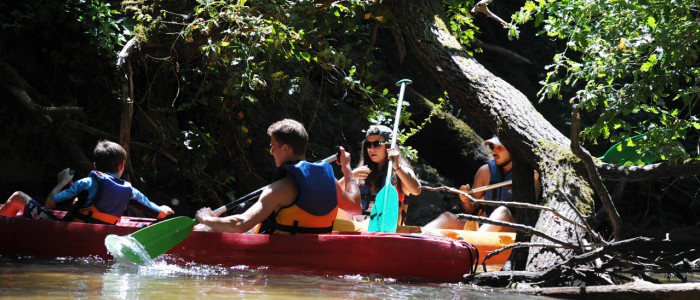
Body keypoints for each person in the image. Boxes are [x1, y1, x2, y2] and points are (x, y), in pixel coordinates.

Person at [195, 119, 361, 235]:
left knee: (207, 229)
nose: (271, 152)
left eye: (273, 147)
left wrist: (207, 218)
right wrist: (346, 168)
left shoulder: (279, 189)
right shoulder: (330, 182)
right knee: (245, 206)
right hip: (314, 249)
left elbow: (240, 224)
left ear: (285, 148)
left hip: (282, 251)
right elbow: (355, 207)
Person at [0, 140, 174, 224]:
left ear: (95, 165)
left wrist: (62, 182)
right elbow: (158, 213)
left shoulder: (86, 183)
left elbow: (50, 203)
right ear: (122, 166)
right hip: (101, 235)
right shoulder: (130, 191)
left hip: (64, 231)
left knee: (18, 197)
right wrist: (164, 210)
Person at [424, 135, 537, 232]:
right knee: (447, 217)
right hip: (484, 227)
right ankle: (418, 238)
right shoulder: (485, 171)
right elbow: (471, 210)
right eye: (493, 147)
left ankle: (474, 245)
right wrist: (466, 201)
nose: (494, 152)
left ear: (514, 150)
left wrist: (534, 185)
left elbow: (529, 214)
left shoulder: (530, 176)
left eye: (500, 148)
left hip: (513, 230)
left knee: (502, 212)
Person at [337, 124, 421, 226]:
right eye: (368, 145)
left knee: (394, 214)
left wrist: (396, 166)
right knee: (335, 206)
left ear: (389, 146)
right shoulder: (359, 173)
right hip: (357, 226)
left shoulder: (402, 171)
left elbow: (416, 190)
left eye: (377, 144)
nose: (372, 149)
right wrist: (350, 176)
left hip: (385, 227)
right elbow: (335, 193)